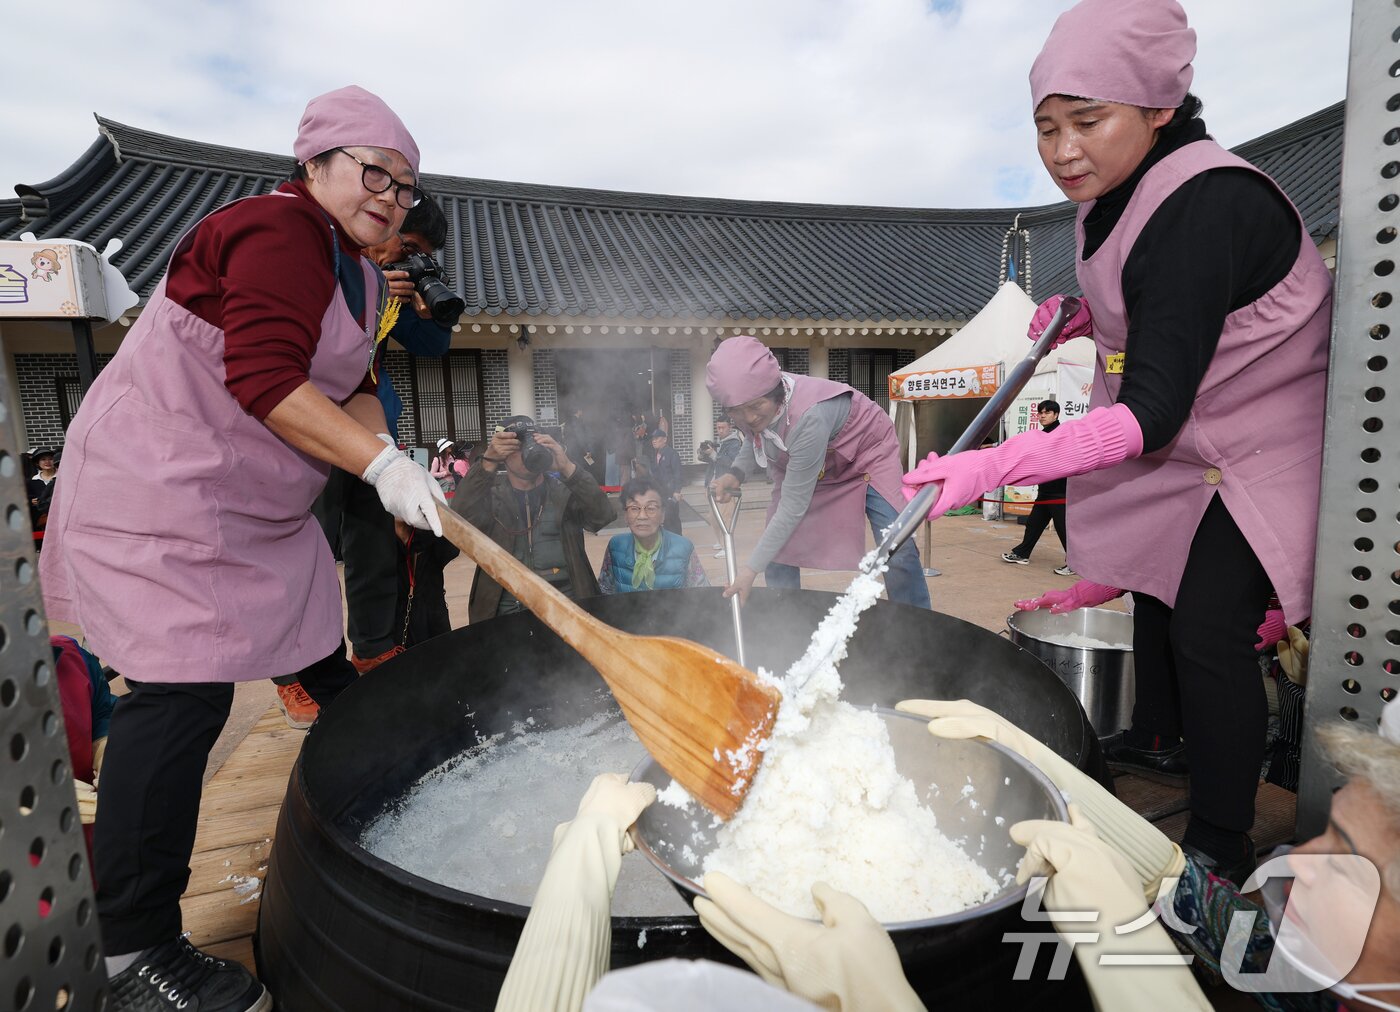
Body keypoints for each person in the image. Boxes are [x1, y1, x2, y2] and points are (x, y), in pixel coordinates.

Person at [902, 0, 1330, 882]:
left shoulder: (1204, 203)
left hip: (1263, 443)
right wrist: (1088, 315)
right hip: (1202, 435)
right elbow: (1169, 306)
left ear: (1160, 106)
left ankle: (1220, 840)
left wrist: (995, 464)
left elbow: (1150, 413)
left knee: (1208, 628)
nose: (1064, 151)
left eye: (1087, 121)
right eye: (1046, 127)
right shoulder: (1120, 190)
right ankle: (1163, 736)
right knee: (1155, 587)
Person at [38, 85, 443, 1011]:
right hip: (163, 490)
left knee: (320, 655)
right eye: (374, 172)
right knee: (181, 697)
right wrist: (378, 466)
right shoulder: (272, 229)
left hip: (253, 511)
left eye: (405, 186)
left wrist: (389, 453)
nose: (390, 197)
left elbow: (356, 383)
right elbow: (263, 373)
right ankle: (132, 953)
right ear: (315, 164)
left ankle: (387, 786)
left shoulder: (364, 276)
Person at [272, 195, 455, 728]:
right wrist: (361, 284)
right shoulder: (324, 261)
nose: (408, 258)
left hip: (370, 427)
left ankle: (373, 648)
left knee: (375, 542)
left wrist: (422, 305)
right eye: (408, 245)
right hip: (303, 426)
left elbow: (431, 347)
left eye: (420, 254)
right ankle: (292, 675)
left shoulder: (387, 287)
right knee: (300, 552)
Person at [706, 336, 931, 609]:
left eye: (756, 407)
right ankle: (785, 621)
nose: (750, 417)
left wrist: (750, 570)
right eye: (737, 412)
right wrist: (736, 473)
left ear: (776, 391)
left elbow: (792, 507)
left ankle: (915, 619)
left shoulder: (809, 416)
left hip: (867, 455)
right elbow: (755, 434)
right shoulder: (749, 405)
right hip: (809, 462)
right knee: (777, 553)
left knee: (896, 545)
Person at [454, 415, 613, 623]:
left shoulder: (563, 494)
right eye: (517, 445)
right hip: (506, 615)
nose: (526, 451)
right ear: (503, 453)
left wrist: (567, 467)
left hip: (568, 613)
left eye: (531, 442)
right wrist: (487, 461)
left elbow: (602, 516)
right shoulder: (491, 499)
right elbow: (458, 521)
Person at [598, 477, 708, 594]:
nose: (642, 516)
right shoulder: (616, 546)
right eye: (634, 508)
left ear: (663, 515)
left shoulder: (683, 548)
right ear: (625, 515)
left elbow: (702, 595)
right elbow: (604, 591)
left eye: (651, 508)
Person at [1000, 400, 1074, 575]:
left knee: (1063, 529)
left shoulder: (1061, 434)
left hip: (1059, 491)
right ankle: (1022, 553)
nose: (1042, 416)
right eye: (1040, 413)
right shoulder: (1041, 435)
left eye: (1047, 413)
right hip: (1045, 490)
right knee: (1033, 524)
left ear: (1056, 415)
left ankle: (1075, 563)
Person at [391, 517, 459, 648]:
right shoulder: (380, 538)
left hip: (433, 613)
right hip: (396, 620)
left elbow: (451, 549)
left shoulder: (429, 531)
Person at [644, 427, 684, 535]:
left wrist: (677, 491)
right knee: (663, 518)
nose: (654, 441)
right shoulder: (655, 454)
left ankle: (677, 539)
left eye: (657, 438)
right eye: (653, 439)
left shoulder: (672, 454)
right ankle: (667, 539)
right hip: (660, 491)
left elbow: (678, 473)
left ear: (665, 439)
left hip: (670, 491)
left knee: (672, 517)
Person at [26, 445, 58, 530]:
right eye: (43, 459)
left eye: (50, 459)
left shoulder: (62, 477)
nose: (47, 462)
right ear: (37, 463)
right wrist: (31, 501)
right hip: (43, 521)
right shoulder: (33, 481)